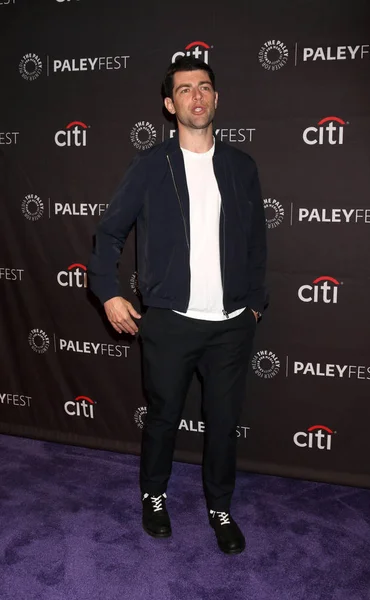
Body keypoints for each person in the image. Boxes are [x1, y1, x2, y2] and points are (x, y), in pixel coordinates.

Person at [88, 56, 267, 554]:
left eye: (205, 87)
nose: (197, 96)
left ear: (216, 98)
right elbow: (108, 233)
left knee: (224, 424)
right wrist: (108, 291)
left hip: (232, 325)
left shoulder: (241, 166)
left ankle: (220, 507)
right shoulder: (150, 166)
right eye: (185, 89)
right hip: (169, 322)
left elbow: (256, 243)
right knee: (164, 417)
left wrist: (254, 304)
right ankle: (154, 495)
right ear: (171, 105)